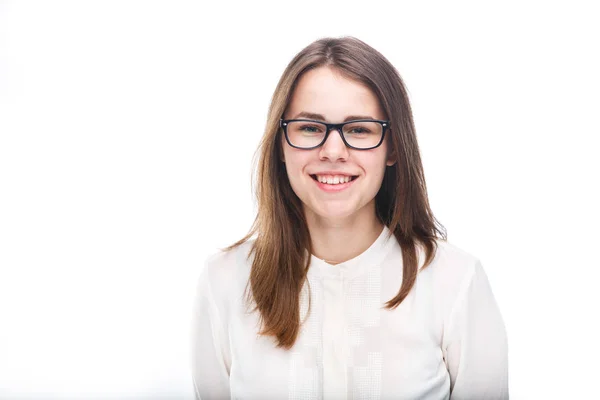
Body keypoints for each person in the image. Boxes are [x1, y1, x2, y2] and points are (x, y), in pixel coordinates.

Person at [191, 36, 508, 400]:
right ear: (281, 144)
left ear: (392, 148)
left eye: (359, 129)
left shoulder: (455, 281)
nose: (333, 151)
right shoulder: (224, 281)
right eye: (310, 128)